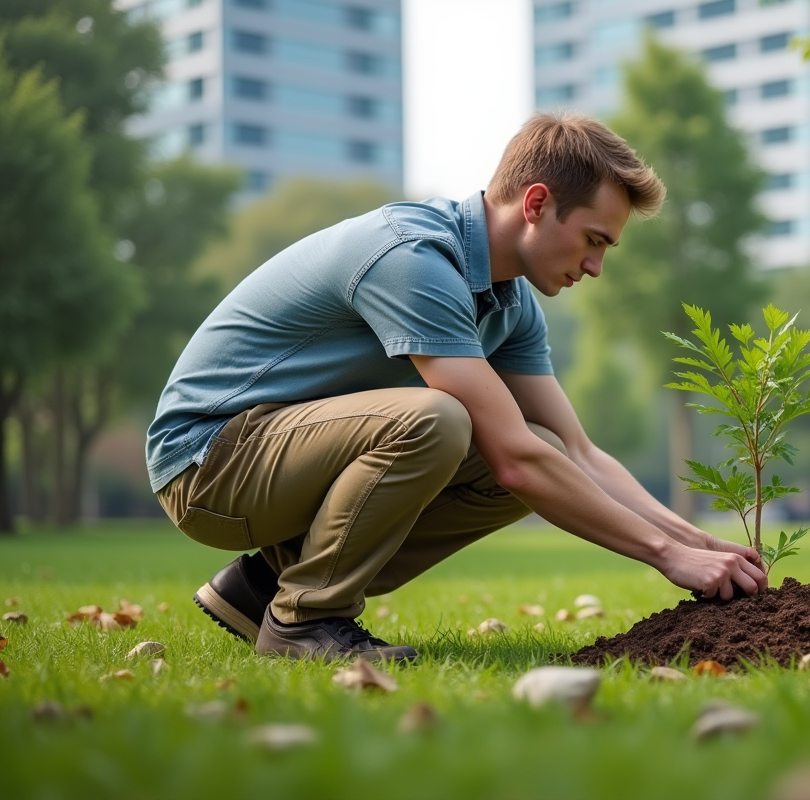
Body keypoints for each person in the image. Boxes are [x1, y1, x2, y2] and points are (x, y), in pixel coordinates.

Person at [147, 113, 766, 663]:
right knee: (441, 420)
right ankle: (305, 619)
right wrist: (664, 555)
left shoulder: (511, 302)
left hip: (280, 457)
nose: (596, 267)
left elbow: (576, 451)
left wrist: (696, 542)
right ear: (536, 203)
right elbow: (515, 460)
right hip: (208, 462)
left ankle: (260, 588)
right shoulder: (412, 257)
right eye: (593, 240)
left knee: (539, 443)